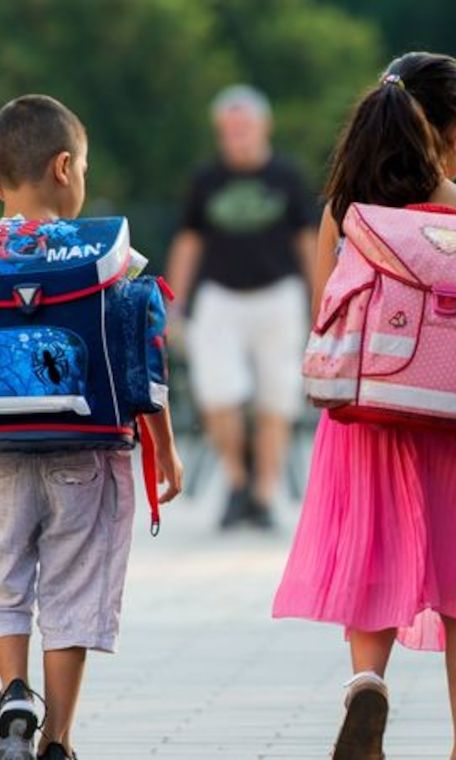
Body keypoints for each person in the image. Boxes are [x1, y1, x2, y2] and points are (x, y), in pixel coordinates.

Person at [273, 53, 456, 760]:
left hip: (367, 418)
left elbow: (326, 313)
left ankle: (366, 682)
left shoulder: (349, 214)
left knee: (371, 563)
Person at [0, 94, 184, 760]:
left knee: (6, 580)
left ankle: (12, 688)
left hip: (0, 455)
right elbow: (146, 358)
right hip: (89, 448)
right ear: (64, 166)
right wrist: (165, 453)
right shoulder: (112, 257)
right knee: (74, 590)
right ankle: (58, 738)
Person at [165, 84, 317, 529]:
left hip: (278, 294)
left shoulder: (287, 177)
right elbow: (188, 241)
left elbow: (307, 241)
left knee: (277, 396)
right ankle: (236, 479)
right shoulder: (206, 180)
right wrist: (176, 305)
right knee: (217, 393)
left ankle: (265, 491)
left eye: (244, 127)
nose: (237, 137)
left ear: (262, 127)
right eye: (228, 130)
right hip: (221, 296)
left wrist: (319, 299)